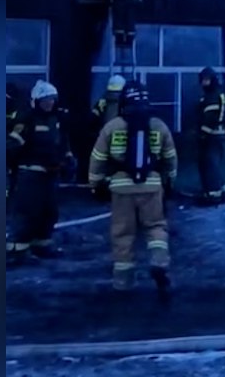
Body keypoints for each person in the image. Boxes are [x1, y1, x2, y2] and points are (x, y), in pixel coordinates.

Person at [88, 81, 178, 296]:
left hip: (120, 189)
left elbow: (97, 159)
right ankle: (159, 261)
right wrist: (170, 183)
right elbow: (170, 158)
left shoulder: (112, 126)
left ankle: (123, 282)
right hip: (152, 186)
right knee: (156, 226)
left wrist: (95, 184)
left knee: (123, 234)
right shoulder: (159, 126)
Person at [7, 80, 76, 266]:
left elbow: (63, 143)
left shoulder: (58, 120)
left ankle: (42, 244)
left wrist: (68, 159)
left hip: (51, 175)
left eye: (52, 99)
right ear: (36, 101)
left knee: (49, 212)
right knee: (26, 212)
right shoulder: (27, 119)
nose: (49, 103)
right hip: (30, 175)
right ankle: (16, 250)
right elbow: (12, 145)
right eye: (45, 99)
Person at [195, 67, 225, 203]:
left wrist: (202, 134)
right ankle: (216, 190)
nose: (204, 83)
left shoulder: (213, 96)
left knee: (210, 164)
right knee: (209, 164)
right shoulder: (215, 94)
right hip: (215, 135)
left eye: (206, 80)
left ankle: (214, 195)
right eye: (203, 80)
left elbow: (210, 118)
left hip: (212, 136)